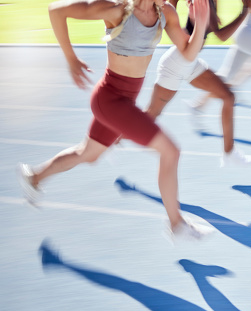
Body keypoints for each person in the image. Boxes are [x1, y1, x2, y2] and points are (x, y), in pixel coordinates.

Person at [17, 0, 213, 242]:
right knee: (170, 152)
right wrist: (71, 59)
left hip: (125, 103)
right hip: (109, 101)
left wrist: (201, 23)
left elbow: (187, 52)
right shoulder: (117, 10)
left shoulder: (165, 13)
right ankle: (176, 224)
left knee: (87, 154)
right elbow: (56, 11)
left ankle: (34, 176)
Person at [145, 0, 251, 167]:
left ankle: (229, 152)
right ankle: (110, 137)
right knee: (151, 116)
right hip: (176, 64)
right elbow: (221, 35)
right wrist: (245, 11)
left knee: (228, 97)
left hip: (190, 62)